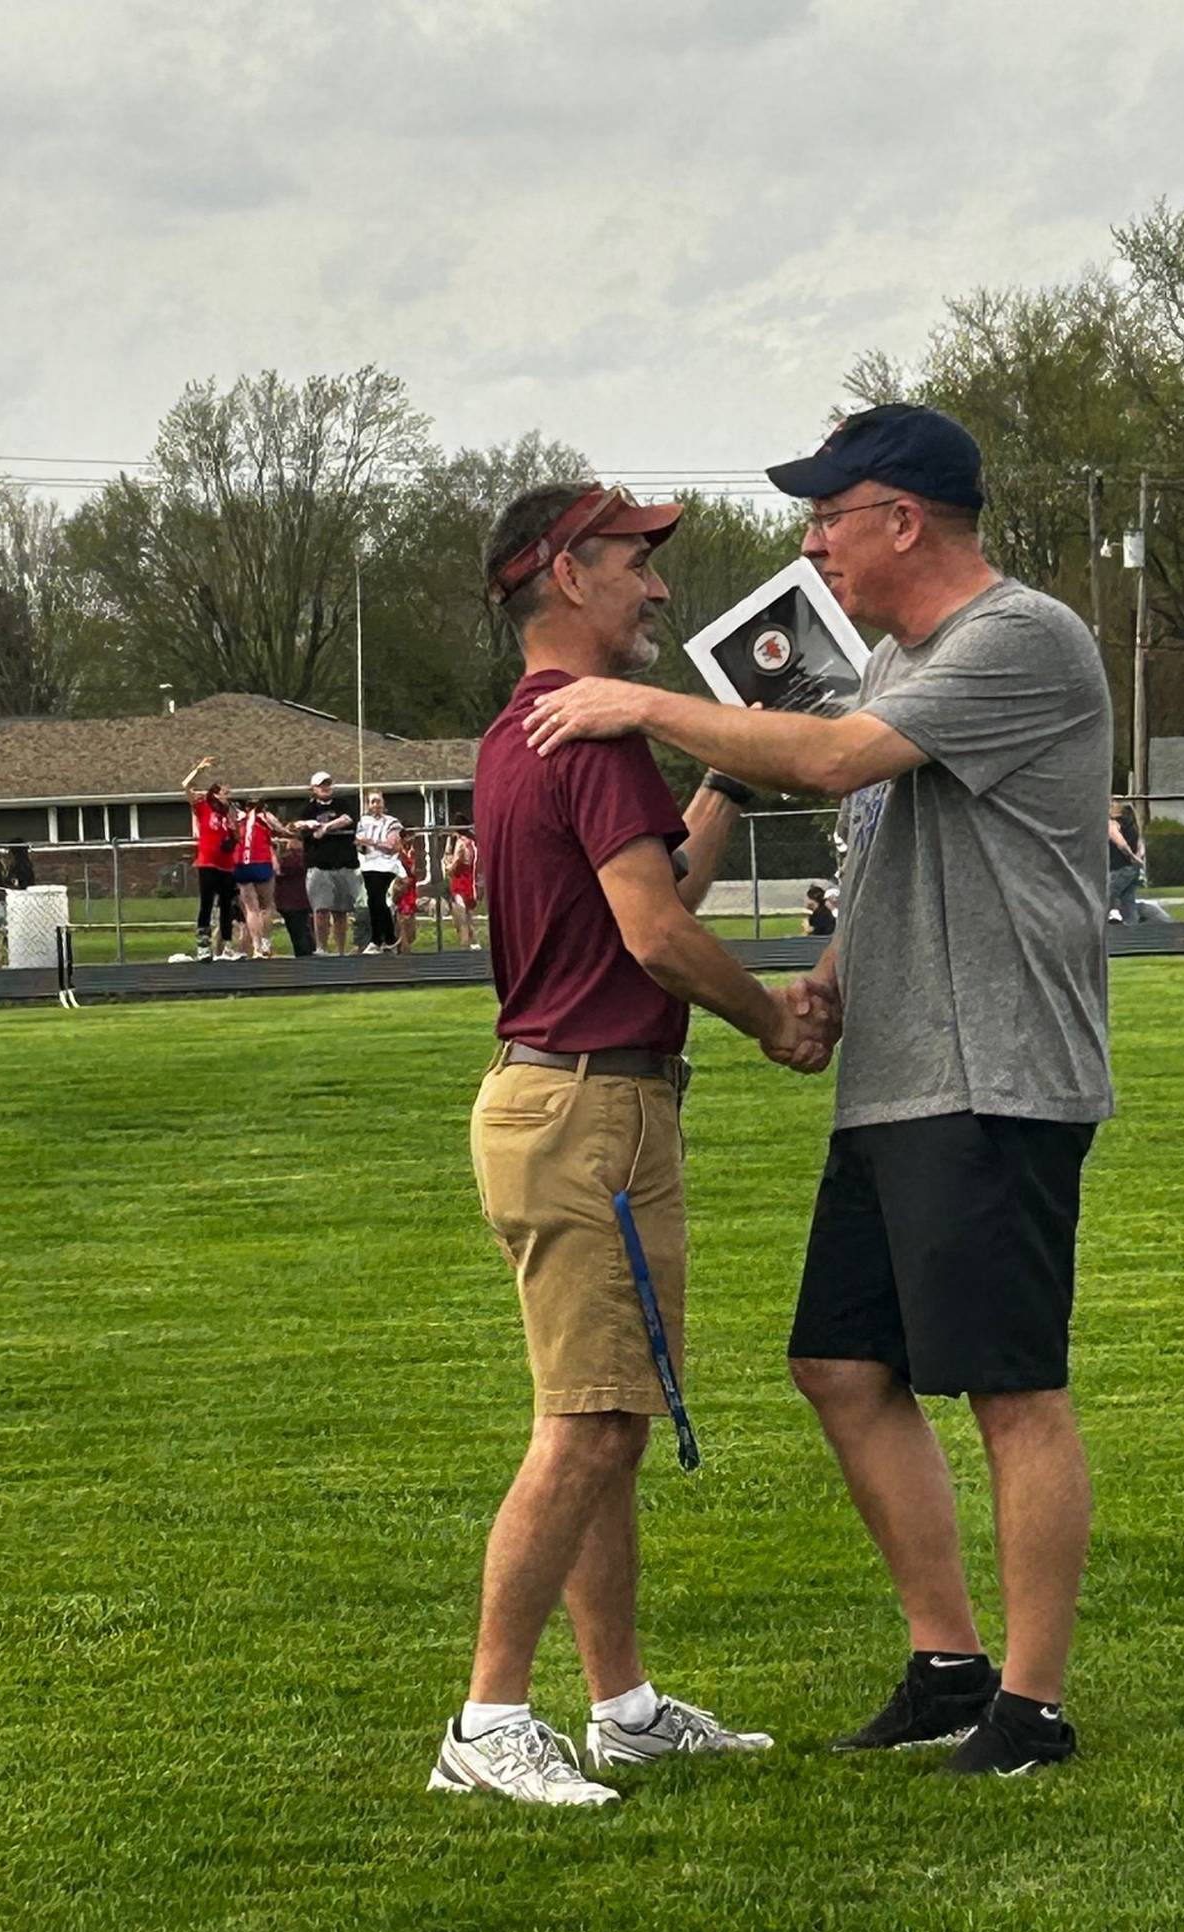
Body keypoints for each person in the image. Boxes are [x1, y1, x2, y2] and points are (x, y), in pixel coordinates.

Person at [523, 406, 1114, 1780]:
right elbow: (901, 841)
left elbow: (839, 762)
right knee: (841, 1364)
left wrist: (642, 705)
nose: (810, 541)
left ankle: (1032, 1704)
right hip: (900, 1072)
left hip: (994, 1070)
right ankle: (947, 1660)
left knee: (1010, 1386)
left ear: (902, 520)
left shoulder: (1017, 637)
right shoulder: (908, 660)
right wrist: (838, 974)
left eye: (827, 514)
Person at [428, 479, 829, 1810]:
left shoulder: (526, 736)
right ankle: (488, 1715)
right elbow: (657, 940)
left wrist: (719, 768)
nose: (659, 586)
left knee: (608, 1417)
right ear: (564, 577)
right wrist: (773, 1018)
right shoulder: (591, 740)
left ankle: (626, 1705)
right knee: (592, 1421)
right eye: (634, 561)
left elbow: (660, 895)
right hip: (592, 1107)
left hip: (565, 1101)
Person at [180, 756, 242, 960]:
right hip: (208, 862)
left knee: (227, 905)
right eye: (225, 793)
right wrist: (199, 769)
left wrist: (233, 837)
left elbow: (235, 837)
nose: (228, 796)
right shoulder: (203, 807)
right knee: (206, 903)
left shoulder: (228, 814)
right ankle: (203, 946)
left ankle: (227, 947)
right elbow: (186, 786)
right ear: (216, 794)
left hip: (226, 865)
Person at [294, 772, 361, 953]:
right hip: (319, 866)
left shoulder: (343, 804)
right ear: (314, 788)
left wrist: (326, 827)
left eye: (328, 784)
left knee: (341, 911)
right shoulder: (307, 810)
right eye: (321, 785)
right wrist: (313, 827)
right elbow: (304, 830)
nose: (325, 787)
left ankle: (340, 950)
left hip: (344, 864)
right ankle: (321, 948)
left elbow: (348, 819)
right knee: (321, 910)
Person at [233, 795, 286, 958]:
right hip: (261, 861)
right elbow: (282, 829)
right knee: (266, 905)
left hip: (241, 862)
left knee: (251, 908)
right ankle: (265, 942)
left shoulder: (237, 818)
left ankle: (256, 946)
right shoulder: (265, 816)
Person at [356, 789, 403, 955]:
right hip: (369, 865)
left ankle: (383, 938)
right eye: (372, 802)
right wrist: (362, 844)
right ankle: (383, 939)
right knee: (373, 901)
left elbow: (391, 846)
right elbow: (360, 843)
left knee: (378, 898)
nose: (376, 805)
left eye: (378, 801)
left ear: (383, 803)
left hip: (386, 865)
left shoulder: (392, 822)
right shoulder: (363, 821)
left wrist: (372, 842)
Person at [273, 840, 315, 957]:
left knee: (299, 932)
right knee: (302, 930)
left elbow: (278, 870)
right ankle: (308, 951)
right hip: (296, 901)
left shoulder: (291, 860)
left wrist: (276, 851)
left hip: (291, 902)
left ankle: (305, 954)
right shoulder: (303, 859)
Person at [443, 818, 478, 948]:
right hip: (469, 880)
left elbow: (455, 864)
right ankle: (474, 942)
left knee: (460, 915)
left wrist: (447, 867)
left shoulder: (460, 843)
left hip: (460, 881)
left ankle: (465, 944)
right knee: (469, 915)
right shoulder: (471, 843)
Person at [1108, 799, 1142, 926]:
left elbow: (1119, 842)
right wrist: (1138, 858)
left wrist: (1132, 856)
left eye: (1112, 804)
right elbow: (1140, 844)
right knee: (1128, 901)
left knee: (1104, 897)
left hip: (1119, 868)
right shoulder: (1133, 824)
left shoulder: (1113, 823)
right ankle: (1133, 929)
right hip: (1132, 869)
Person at [394, 825, 421, 952]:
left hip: (411, 889)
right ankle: (404, 949)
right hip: (403, 888)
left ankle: (404, 945)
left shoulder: (410, 852)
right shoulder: (399, 853)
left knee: (411, 929)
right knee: (403, 920)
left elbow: (414, 871)